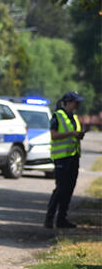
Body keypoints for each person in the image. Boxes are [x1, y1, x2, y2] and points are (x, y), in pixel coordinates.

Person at [44, 91, 85, 229]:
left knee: (69, 188)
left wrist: (79, 135)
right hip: (62, 158)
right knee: (61, 189)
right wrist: (72, 133)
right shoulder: (58, 116)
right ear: (68, 102)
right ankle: (49, 219)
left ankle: (62, 219)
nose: (78, 104)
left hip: (73, 157)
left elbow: (72, 135)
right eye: (76, 102)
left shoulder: (73, 117)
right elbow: (54, 135)